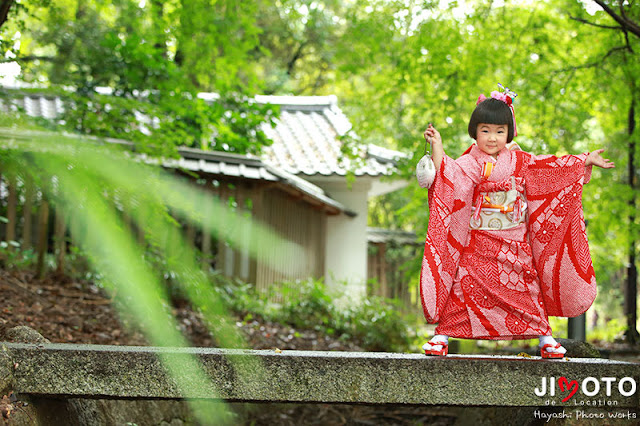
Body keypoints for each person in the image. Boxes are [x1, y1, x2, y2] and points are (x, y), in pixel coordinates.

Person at [418, 85, 614, 359]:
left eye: (500, 131)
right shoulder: (471, 162)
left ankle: (545, 339)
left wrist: (583, 161)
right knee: (464, 288)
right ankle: (441, 336)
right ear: (474, 132)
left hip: (515, 243)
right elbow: (449, 177)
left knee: (526, 289)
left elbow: (551, 168)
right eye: (485, 130)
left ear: (509, 133)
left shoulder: (520, 160)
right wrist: (437, 145)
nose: (492, 138)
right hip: (479, 243)